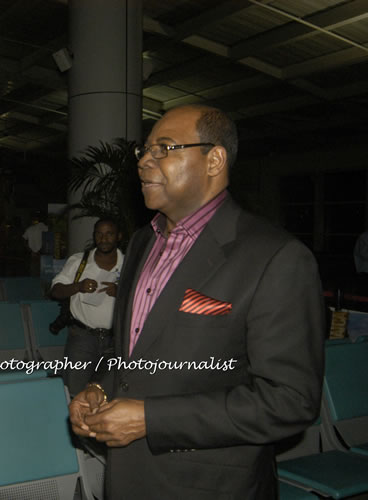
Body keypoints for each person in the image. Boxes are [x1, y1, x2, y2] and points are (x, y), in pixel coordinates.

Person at [69, 105, 324, 499]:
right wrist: (100, 389)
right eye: (145, 150)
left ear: (214, 160)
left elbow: (289, 401)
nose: (144, 163)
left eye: (165, 148)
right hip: (128, 477)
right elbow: (135, 352)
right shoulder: (142, 242)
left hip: (209, 485)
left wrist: (151, 419)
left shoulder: (274, 257)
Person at [50, 218, 124, 395]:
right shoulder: (79, 261)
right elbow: (55, 291)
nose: (103, 238)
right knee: (75, 392)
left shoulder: (128, 263)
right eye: (99, 234)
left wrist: (121, 292)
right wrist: (78, 286)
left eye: (109, 234)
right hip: (82, 338)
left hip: (115, 341)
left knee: (109, 395)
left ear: (118, 237)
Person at [23, 211, 48, 276]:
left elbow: (24, 240)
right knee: (41, 272)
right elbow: (49, 235)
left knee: (33, 272)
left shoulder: (29, 229)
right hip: (40, 252)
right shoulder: (42, 226)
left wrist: (30, 250)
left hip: (32, 253)